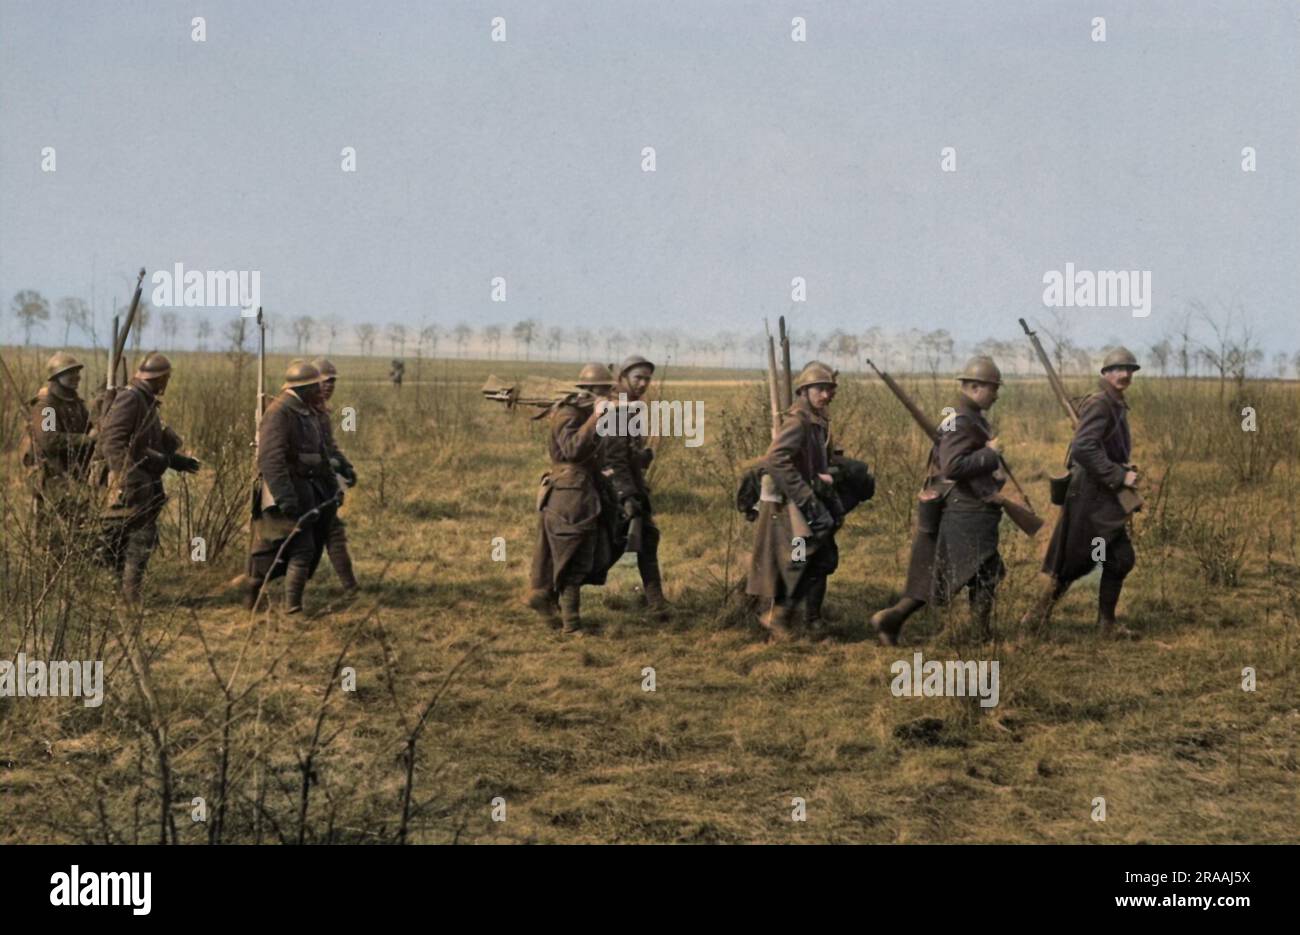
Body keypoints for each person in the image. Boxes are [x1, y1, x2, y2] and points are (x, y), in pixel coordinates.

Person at [1023, 347, 1142, 638]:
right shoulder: (1101, 403)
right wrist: (1119, 474)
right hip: (1090, 494)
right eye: (1117, 369)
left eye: (1129, 369)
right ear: (1105, 373)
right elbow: (1083, 448)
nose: (1124, 374)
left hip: (1102, 493)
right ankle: (1033, 622)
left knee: (1117, 557)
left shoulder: (1113, 402)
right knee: (1074, 561)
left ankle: (1105, 625)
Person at [746, 361, 844, 641]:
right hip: (792, 508)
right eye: (820, 389)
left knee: (818, 559)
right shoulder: (798, 421)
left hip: (805, 503)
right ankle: (779, 619)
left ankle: (805, 620)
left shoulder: (815, 420)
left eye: (829, 390)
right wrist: (806, 495)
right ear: (804, 390)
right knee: (801, 559)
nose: (825, 395)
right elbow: (776, 459)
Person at [96, 352, 200, 601]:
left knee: (129, 539)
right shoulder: (132, 398)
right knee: (139, 538)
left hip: (143, 482)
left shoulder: (145, 400)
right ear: (161, 378)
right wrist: (127, 477)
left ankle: (122, 595)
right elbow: (113, 441)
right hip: (132, 483)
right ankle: (130, 599)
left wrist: (177, 461)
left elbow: (146, 446)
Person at [527, 362, 621, 634]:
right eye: (604, 390)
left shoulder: (585, 412)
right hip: (570, 494)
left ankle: (549, 606)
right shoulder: (568, 413)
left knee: (582, 552)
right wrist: (596, 418)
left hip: (583, 490)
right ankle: (571, 625)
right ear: (589, 389)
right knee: (572, 556)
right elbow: (572, 449)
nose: (608, 396)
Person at [245, 360, 338, 613]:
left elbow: (320, 454)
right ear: (304, 388)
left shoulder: (306, 412)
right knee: (269, 549)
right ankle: (257, 600)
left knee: (302, 548)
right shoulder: (279, 412)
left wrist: (332, 487)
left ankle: (290, 607)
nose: (322, 392)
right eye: (316, 388)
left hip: (304, 493)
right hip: (281, 495)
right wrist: (286, 499)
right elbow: (270, 460)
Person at [604, 354, 669, 618]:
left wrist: (640, 458)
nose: (643, 383)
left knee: (645, 538)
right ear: (622, 378)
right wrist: (628, 495)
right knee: (611, 544)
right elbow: (613, 458)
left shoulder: (630, 405)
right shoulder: (618, 407)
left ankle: (657, 604)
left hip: (626, 482)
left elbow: (624, 451)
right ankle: (557, 596)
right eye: (637, 377)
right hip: (613, 485)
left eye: (647, 378)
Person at [311, 357, 359, 593]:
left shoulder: (322, 412)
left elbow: (329, 446)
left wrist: (345, 465)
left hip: (319, 485)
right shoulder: (302, 411)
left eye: (332, 382)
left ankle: (350, 587)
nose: (329, 387)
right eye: (324, 382)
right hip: (301, 486)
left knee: (333, 532)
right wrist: (329, 463)